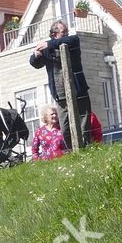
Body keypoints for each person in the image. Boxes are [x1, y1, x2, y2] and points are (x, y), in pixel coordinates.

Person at [29, 19, 93, 150]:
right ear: (54, 34)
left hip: (78, 90)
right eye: (63, 33)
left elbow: (72, 40)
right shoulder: (48, 49)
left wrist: (48, 44)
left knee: (84, 125)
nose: (66, 35)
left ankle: (88, 150)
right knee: (65, 128)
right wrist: (36, 55)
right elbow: (35, 63)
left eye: (66, 32)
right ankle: (73, 152)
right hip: (60, 95)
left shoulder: (72, 43)